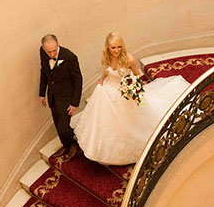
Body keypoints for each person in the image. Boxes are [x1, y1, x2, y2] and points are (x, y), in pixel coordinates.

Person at [71, 32, 190, 165]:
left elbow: (138, 75)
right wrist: (101, 80)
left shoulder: (129, 59)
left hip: (124, 93)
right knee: (104, 118)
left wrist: (132, 87)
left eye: (119, 47)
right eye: (113, 48)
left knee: (127, 121)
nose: (116, 50)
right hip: (108, 89)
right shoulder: (106, 57)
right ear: (107, 47)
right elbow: (105, 70)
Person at [38, 34, 83, 150]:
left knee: (63, 127)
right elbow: (44, 72)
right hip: (53, 96)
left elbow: (78, 80)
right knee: (58, 126)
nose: (52, 54)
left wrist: (75, 103)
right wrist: (42, 93)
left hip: (67, 98)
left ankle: (74, 146)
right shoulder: (42, 52)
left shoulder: (69, 57)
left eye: (54, 51)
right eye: (49, 52)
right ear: (44, 49)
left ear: (58, 44)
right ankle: (66, 145)